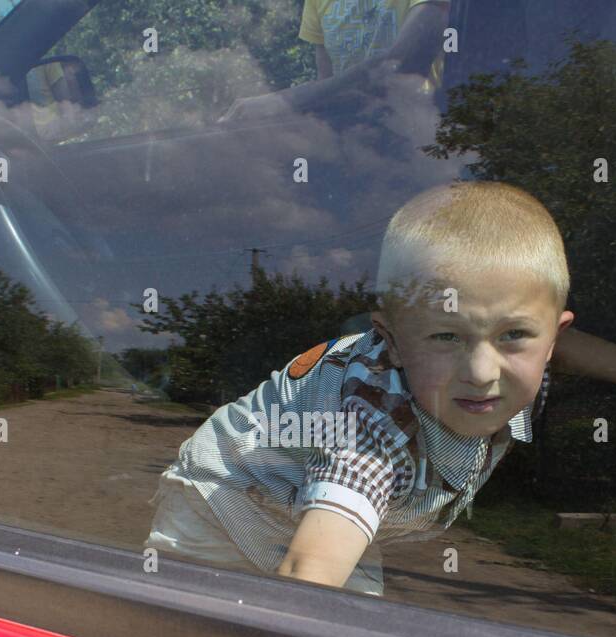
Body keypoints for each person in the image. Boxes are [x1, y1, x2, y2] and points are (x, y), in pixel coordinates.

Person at [146, 180, 572, 594]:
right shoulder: (374, 431)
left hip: (295, 506)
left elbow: (564, 344)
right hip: (225, 503)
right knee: (245, 633)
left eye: (513, 334)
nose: (482, 372)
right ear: (394, 342)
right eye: (447, 337)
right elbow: (308, 575)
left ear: (552, 339)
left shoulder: (512, 370)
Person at [220, 0, 451, 123]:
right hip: (356, 142)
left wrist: (285, 101)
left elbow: (400, 67)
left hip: (420, 140)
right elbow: (327, 90)